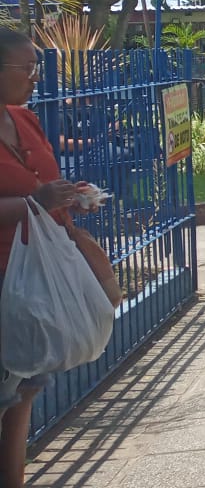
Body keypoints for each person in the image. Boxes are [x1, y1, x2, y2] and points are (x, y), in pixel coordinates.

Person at [0, 28, 89, 488]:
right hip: (3, 279)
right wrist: (36, 199)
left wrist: (68, 197)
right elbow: (34, 194)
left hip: (38, 282)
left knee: (22, 399)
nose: (36, 78)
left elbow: (45, 184)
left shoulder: (25, 120)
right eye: (26, 69)